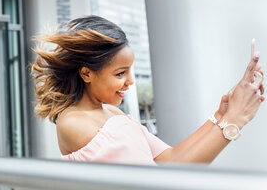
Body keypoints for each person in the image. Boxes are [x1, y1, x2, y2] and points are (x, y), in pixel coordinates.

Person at [31, 15, 265, 165]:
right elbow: (160, 181)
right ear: (86, 74)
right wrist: (236, 119)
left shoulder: (111, 114)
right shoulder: (74, 124)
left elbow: (170, 160)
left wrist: (222, 115)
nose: (130, 81)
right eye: (120, 73)